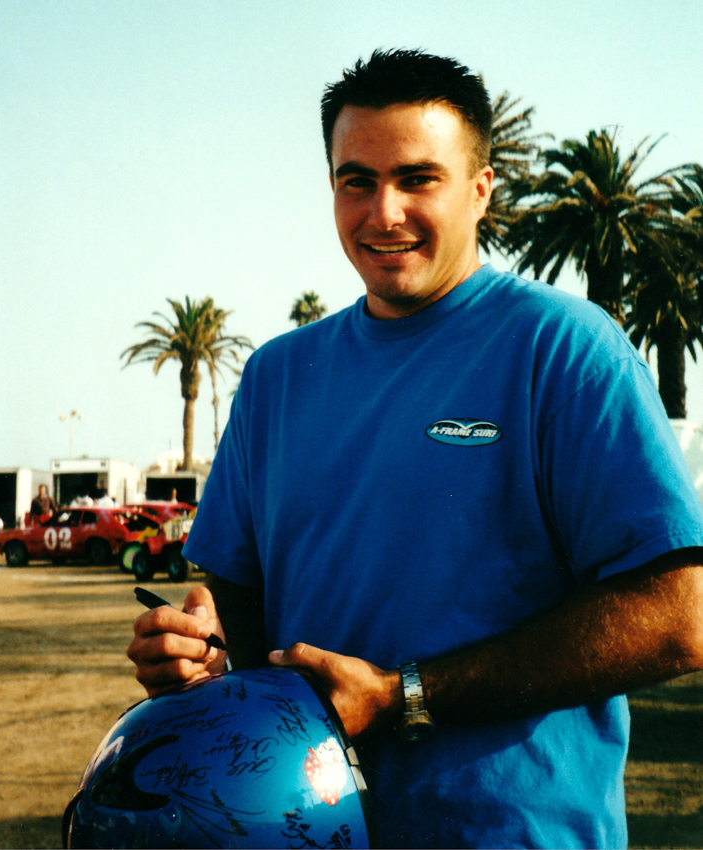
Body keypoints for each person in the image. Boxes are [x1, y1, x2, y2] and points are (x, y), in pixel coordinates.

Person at [128, 50, 703, 848]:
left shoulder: (563, 350)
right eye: (356, 181)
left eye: (417, 179)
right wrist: (198, 648)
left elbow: (679, 615)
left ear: (480, 188)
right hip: (304, 830)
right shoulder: (275, 377)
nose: (383, 212)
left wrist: (404, 695)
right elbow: (238, 606)